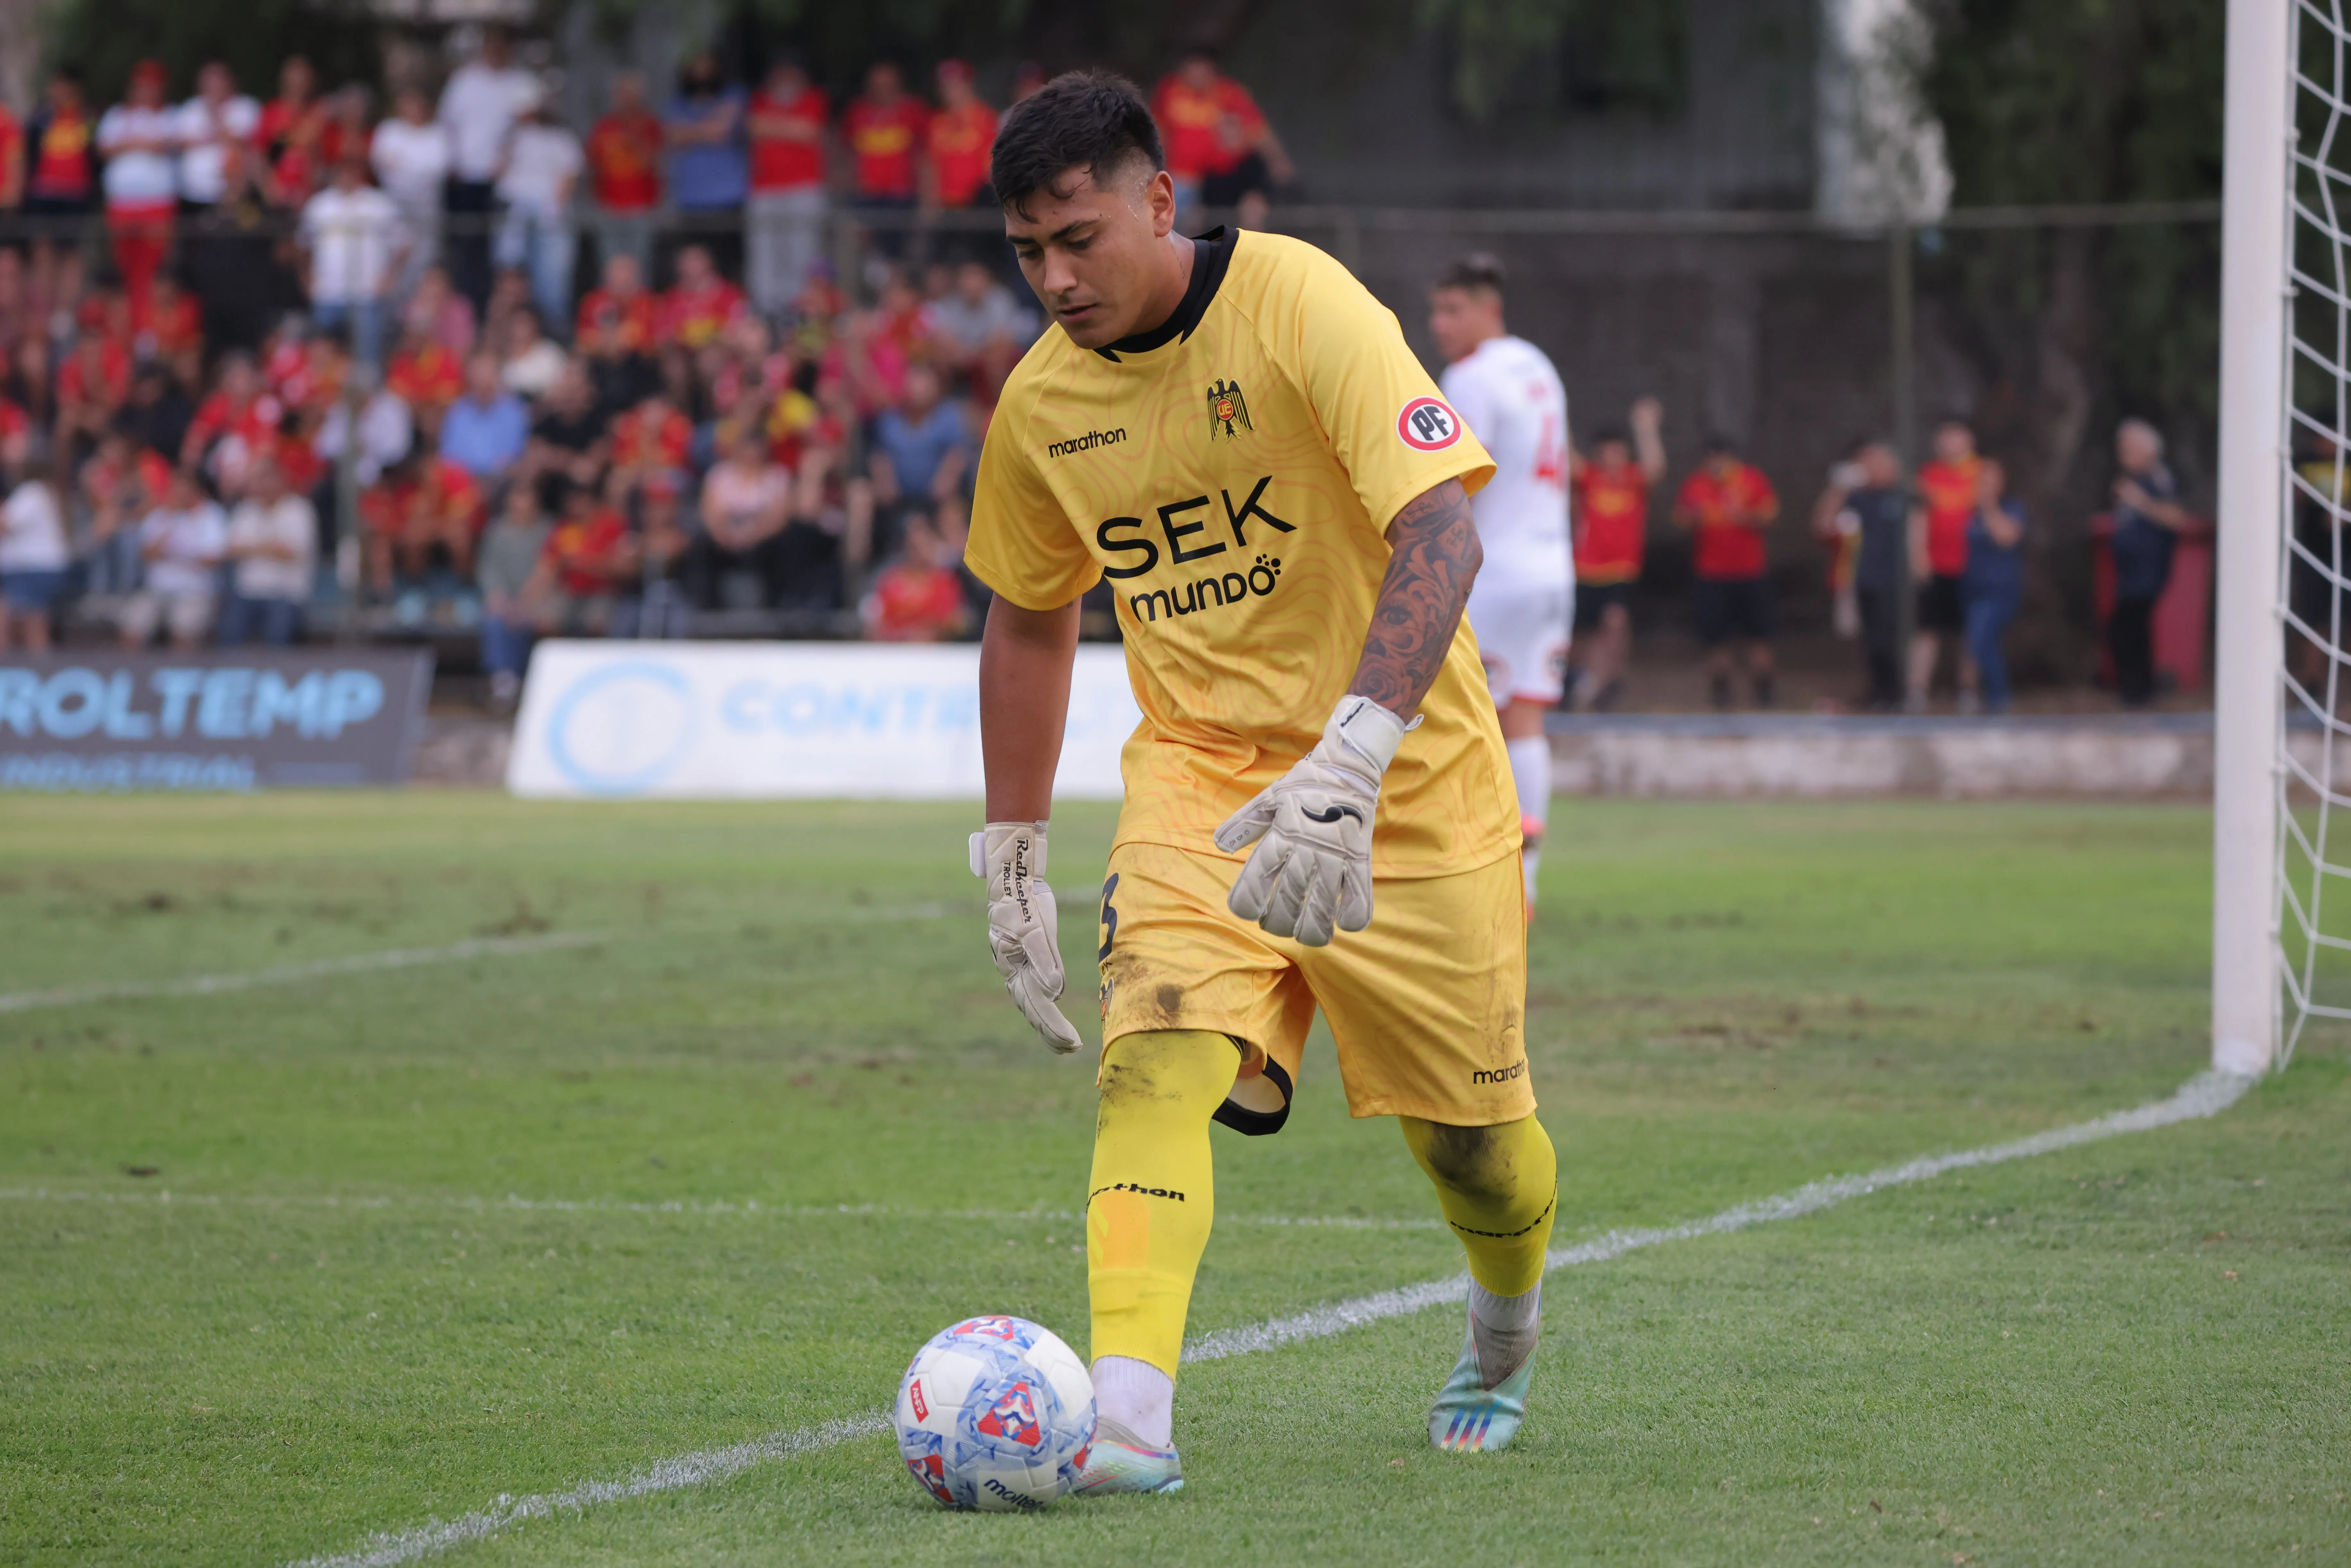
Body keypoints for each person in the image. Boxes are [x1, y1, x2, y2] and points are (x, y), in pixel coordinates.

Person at [966, 72, 1549, 1488]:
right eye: (1027, 252)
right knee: (1153, 1056)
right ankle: (1124, 1428)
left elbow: (1442, 538)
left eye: (1079, 237)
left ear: (1161, 200)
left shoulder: (1301, 304)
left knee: (1474, 1148)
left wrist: (1352, 756)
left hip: (1406, 774)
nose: (1054, 278)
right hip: (1201, 774)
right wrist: (1016, 844)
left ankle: (1503, 1329)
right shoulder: (1041, 406)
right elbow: (1030, 612)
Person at [1429, 252, 1571, 912]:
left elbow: (1456, 473)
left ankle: (1472, 870)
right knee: (1528, 720)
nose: (1439, 324)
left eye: (1454, 310)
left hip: (1496, 569)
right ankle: (1529, 879)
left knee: (1458, 717)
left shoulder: (1470, 376)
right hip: (1552, 566)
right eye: (1435, 311)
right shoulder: (1537, 363)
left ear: (1491, 309)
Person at [1566, 398, 1665, 711]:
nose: (1613, 458)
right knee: (1581, 636)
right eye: (1607, 452)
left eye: (1618, 451)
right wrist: (1556, 414)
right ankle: (1573, 680)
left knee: (1615, 623)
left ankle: (1609, 682)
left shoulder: (1633, 480)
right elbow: (1567, 460)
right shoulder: (1590, 479)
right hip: (1585, 569)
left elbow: (1655, 467)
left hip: (1621, 569)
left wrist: (1645, 428)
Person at [1673, 436, 1780, 709]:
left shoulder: (1751, 479)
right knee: (1716, 638)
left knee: (1760, 636)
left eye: (1722, 458)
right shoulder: (1697, 484)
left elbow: (1769, 514)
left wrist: (1742, 515)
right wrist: (1695, 517)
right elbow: (1681, 519)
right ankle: (1722, 694)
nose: (1717, 464)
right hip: (1711, 575)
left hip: (1751, 572)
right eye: (1711, 459)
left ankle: (1764, 692)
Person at [438, 28, 539, 311]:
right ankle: (470, 308)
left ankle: (507, 308)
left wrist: (506, 158)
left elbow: (529, 125)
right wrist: (453, 162)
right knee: (467, 246)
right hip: (467, 176)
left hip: (507, 180)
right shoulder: (464, 81)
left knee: (505, 250)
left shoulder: (521, 82)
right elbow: (448, 124)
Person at [1811, 438, 1912, 710]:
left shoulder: (1903, 497)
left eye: (1875, 461)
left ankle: (1896, 695)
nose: (1869, 468)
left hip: (1895, 582)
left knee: (1889, 639)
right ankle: (1876, 694)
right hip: (1861, 579)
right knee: (1868, 641)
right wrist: (1840, 487)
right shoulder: (1856, 499)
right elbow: (1822, 526)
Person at [1152, 49, 1291, 229]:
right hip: (1184, 177)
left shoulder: (1228, 93)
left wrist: (1278, 161)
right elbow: (1158, 130)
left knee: (1252, 207)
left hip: (1221, 172)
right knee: (1183, 215)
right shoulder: (1169, 91)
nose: (1198, 75)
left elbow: (1258, 130)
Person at [300, 154, 407, 371]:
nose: (346, 176)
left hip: (367, 292)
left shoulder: (379, 205)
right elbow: (302, 246)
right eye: (342, 170)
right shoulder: (320, 205)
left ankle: (366, 396)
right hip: (328, 292)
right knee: (320, 356)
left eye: (351, 170)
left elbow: (405, 244)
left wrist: (389, 277)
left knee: (366, 360)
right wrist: (307, 279)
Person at [2109, 417, 2189, 707]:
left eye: (2128, 447)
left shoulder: (2157, 478)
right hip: (2129, 573)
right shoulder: (2133, 480)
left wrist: (2140, 501)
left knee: (2128, 629)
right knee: (2127, 628)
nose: (2122, 453)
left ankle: (2140, 692)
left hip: (2148, 572)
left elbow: (2176, 518)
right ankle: (2135, 691)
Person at [745, 54, 829, 317]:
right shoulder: (759, 99)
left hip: (803, 189)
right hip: (765, 190)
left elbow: (809, 131)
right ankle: (766, 313)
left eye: (790, 73)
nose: (785, 80)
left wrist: (773, 126)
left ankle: (800, 311)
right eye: (780, 74)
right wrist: (790, 128)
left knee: (802, 251)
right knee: (765, 253)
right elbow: (755, 128)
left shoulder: (814, 98)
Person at [96, 60, 181, 316]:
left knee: (155, 268)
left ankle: (150, 324)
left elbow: (165, 145)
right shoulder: (117, 115)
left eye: (151, 87)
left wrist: (130, 144)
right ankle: (131, 323)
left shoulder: (170, 116)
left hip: (157, 205)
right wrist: (143, 144)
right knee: (124, 267)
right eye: (141, 87)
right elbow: (105, 149)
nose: (145, 92)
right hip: (122, 205)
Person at [1908, 417, 1981, 712]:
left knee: (1970, 632)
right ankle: (1917, 690)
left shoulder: (1981, 473)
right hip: (1937, 566)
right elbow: (1918, 518)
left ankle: (1967, 691)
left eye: (1958, 437)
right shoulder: (1929, 476)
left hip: (1973, 567)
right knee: (1928, 631)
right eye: (1947, 438)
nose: (1952, 444)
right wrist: (1918, 555)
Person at [493, 96, 582, 335]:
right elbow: (498, 171)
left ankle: (554, 335)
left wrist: (553, 209)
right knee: (510, 276)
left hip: (549, 217)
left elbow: (569, 174)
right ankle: (508, 334)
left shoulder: (562, 139)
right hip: (517, 212)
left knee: (552, 285)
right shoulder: (515, 139)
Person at [121, 466, 227, 650]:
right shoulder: (161, 516)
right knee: (133, 624)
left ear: (196, 490)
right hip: (157, 589)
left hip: (195, 591)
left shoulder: (211, 516)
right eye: (175, 487)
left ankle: (180, 678)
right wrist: (169, 525)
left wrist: (178, 554)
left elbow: (213, 560)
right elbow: (146, 554)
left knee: (184, 628)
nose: (178, 493)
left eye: (184, 488)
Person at [690, 423, 792, 606]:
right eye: (747, 446)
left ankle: (775, 608)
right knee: (701, 544)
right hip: (724, 538)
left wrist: (751, 535)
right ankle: (709, 608)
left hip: (763, 540)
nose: (751, 452)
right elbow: (710, 514)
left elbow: (779, 518)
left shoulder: (777, 476)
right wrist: (727, 535)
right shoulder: (720, 475)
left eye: (756, 446)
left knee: (786, 544)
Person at [219, 453, 316, 645]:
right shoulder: (247, 509)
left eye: (268, 478)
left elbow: (290, 553)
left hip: (286, 594)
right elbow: (231, 550)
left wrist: (253, 548)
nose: (262, 485)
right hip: (248, 593)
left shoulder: (298, 509)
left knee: (278, 633)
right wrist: (269, 547)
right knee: (229, 631)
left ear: (281, 480)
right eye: (259, 479)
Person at [665, 53, 747, 279]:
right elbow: (674, 137)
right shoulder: (678, 102)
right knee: (693, 265)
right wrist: (707, 129)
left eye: (707, 65)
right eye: (696, 65)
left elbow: (721, 131)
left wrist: (690, 132)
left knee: (728, 266)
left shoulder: (733, 93)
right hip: (691, 199)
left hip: (728, 198)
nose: (702, 71)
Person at [868, 362, 968, 547]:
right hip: (897, 500)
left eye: (923, 382)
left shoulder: (949, 416)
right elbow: (880, 457)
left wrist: (945, 482)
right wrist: (885, 484)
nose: (916, 388)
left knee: (953, 513)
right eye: (913, 381)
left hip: (938, 499)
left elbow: (957, 455)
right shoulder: (889, 418)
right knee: (863, 497)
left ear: (936, 387)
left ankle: (957, 565)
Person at [370, 88, 451, 304]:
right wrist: (413, 169)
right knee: (392, 259)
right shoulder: (389, 130)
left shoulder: (437, 134)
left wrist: (403, 166)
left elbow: (436, 171)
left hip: (426, 210)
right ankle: (393, 311)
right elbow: (382, 164)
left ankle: (421, 309)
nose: (413, 109)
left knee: (424, 260)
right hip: (394, 207)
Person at [1962, 457, 2026, 714]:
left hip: (2000, 590)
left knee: (1981, 641)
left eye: (1990, 482)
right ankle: (1989, 698)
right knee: (1983, 644)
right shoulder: (1971, 513)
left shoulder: (2012, 509)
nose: (1984, 486)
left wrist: (1988, 506)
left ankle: (2000, 698)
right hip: (1973, 589)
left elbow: (2006, 537)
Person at [477, 477, 548, 705]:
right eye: (516, 497)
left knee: (537, 619)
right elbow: (489, 569)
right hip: (507, 599)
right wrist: (498, 595)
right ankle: (504, 681)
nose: (520, 503)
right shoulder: (497, 532)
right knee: (496, 620)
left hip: (542, 598)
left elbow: (549, 569)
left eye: (526, 496)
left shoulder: (548, 530)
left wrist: (528, 601)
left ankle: (537, 680)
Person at [584, 72, 663, 279]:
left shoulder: (650, 125)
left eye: (630, 93)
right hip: (609, 207)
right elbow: (592, 165)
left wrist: (631, 135)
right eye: (621, 93)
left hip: (641, 206)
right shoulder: (603, 128)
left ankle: (642, 308)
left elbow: (650, 162)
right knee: (609, 263)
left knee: (641, 263)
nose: (625, 98)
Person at [844, 62, 927, 255]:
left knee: (896, 251)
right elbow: (847, 154)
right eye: (877, 85)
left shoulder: (913, 111)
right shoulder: (857, 112)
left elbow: (923, 157)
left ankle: (893, 281)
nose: (883, 90)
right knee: (863, 247)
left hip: (900, 195)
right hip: (866, 195)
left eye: (888, 85)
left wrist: (926, 198)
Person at [861, 515, 967, 640]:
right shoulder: (890, 581)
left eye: (923, 545)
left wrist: (932, 633)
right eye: (914, 547)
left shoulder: (944, 581)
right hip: (896, 651)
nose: (919, 552)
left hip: (935, 653)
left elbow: (957, 622)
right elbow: (874, 623)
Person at [0, 459, 68, 650]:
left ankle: (35, 667)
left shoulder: (31, 493)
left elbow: (5, 525)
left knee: (29, 620)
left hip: (34, 568)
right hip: (36, 568)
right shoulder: (42, 493)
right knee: (30, 620)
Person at [439, 351, 530, 482]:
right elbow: (449, 456)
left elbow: (515, 454)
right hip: (465, 483)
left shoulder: (514, 411)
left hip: (502, 482)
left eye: (488, 375)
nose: (483, 381)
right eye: (478, 375)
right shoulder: (457, 412)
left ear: (497, 377)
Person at [925, 59, 998, 221]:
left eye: (956, 84)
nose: (950, 90)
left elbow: (992, 164)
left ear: (968, 84)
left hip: (977, 204)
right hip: (946, 206)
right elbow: (932, 165)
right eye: (946, 85)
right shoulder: (937, 122)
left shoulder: (985, 118)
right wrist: (930, 203)